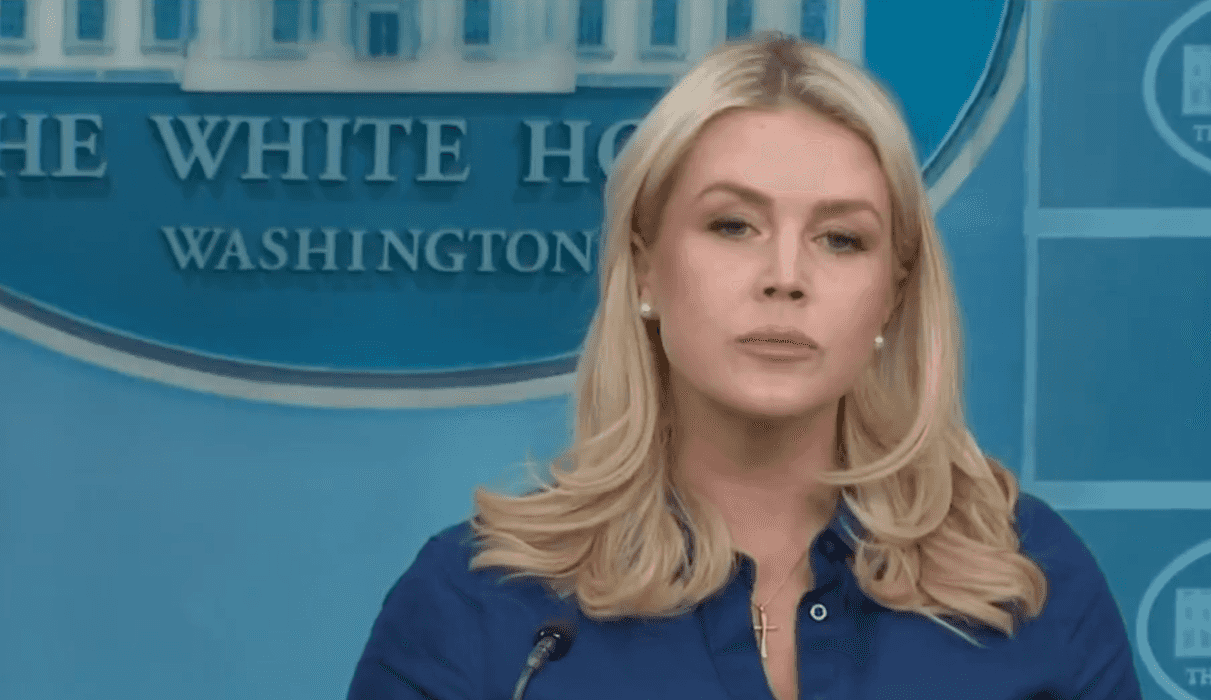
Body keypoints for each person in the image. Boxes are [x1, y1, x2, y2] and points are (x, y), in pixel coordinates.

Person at [346, 32, 1142, 700]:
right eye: (732, 225)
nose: (785, 275)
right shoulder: (482, 604)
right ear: (647, 268)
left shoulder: (1027, 578)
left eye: (841, 239)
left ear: (892, 296)